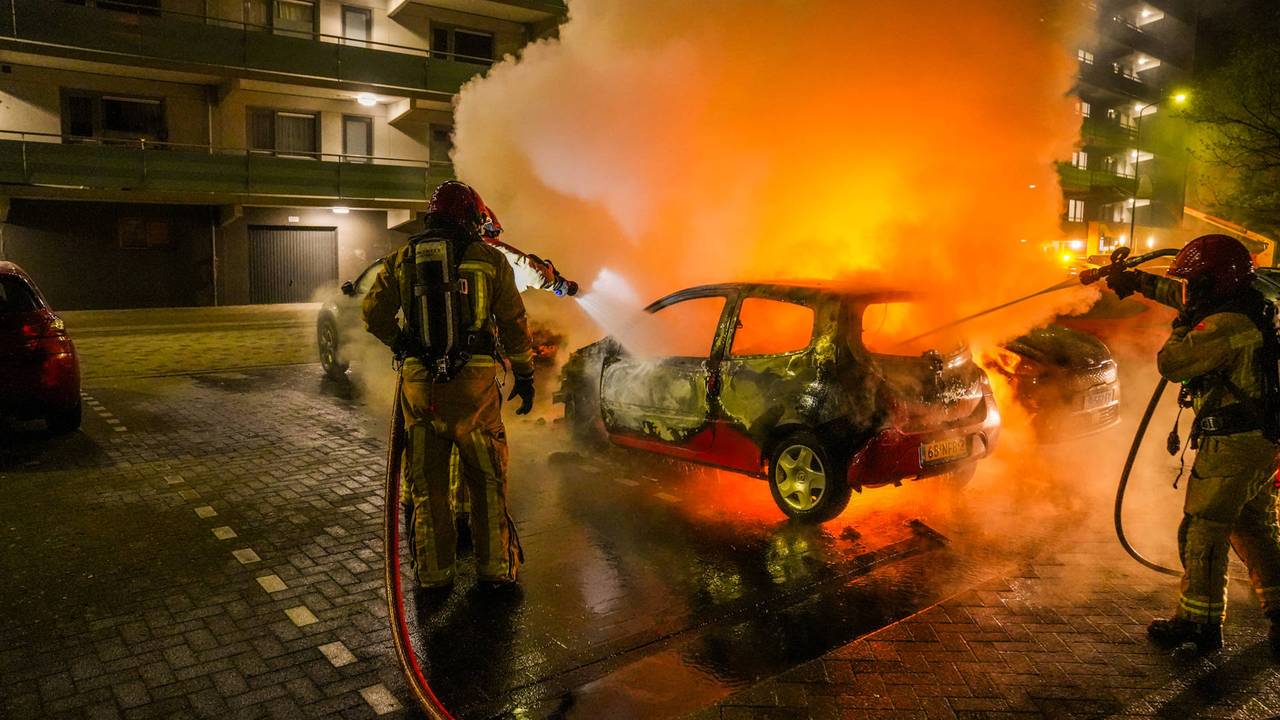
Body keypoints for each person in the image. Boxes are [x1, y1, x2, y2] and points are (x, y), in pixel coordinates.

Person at [1108, 234, 1280, 656]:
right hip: (1261, 441)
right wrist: (1135, 281)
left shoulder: (1224, 326)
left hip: (1233, 446)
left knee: (1203, 530)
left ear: (1211, 283)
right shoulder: (1249, 299)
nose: (1188, 290)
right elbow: (1182, 292)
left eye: (1195, 282)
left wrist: (1183, 323)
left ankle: (1199, 623)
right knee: (1253, 526)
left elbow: (1173, 362)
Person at [363, 180, 536, 590]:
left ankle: (434, 576)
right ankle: (494, 572)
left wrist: (403, 342)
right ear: (472, 219)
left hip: (420, 390)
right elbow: (514, 323)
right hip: (473, 389)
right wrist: (525, 376)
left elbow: (373, 315)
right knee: (487, 482)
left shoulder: (402, 258)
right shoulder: (489, 261)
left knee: (428, 489)